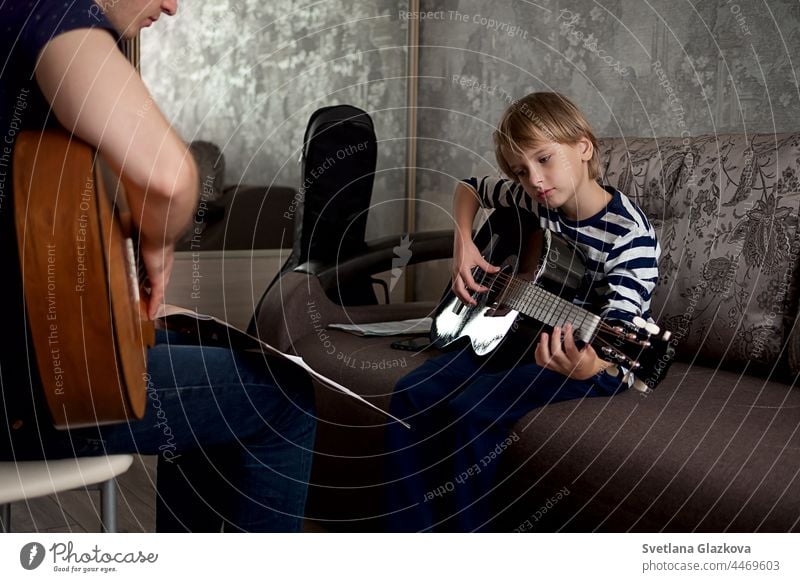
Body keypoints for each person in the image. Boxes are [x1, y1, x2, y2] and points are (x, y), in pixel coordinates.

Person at [0, 0, 316, 532]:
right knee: (284, 397)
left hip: (32, 362)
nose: (171, 6)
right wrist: (159, 244)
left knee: (215, 372)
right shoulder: (49, 13)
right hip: (31, 391)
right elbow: (170, 178)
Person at [383, 92, 660, 532]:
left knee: (473, 411)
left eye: (545, 159)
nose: (535, 180)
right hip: (516, 333)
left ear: (583, 147)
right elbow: (469, 187)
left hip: (587, 358)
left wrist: (587, 362)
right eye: (520, 171)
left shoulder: (631, 238)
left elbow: (620, 330)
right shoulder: (534, 200)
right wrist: (464, 243)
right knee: (411, 393)